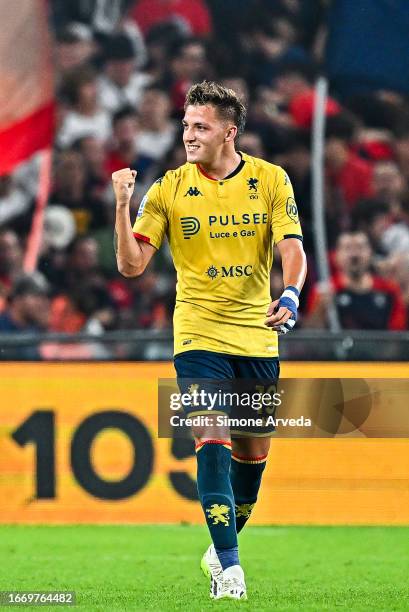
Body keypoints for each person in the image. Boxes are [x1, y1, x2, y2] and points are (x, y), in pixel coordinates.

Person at [112, 81, 307, 600]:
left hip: (257, 335)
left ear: (229, 131)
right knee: (211, 439)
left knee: (253, 455)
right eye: (185, 126)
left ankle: (220, 544)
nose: (189, 135)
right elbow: (131, 265)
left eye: (200, 127)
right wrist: (123, 204)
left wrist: (289, 296)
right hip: (197, 333)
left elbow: (292, 248)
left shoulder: (270, 180)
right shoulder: (169, 187)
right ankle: (230, 568)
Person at [304, 231, 407, 330]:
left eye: (360, 247)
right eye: (347, 248)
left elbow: (397, 335)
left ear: (370, 253)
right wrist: (320, 310)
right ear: (336, 256)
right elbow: (311, 336)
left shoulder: (389, 290)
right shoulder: (325, 291)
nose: (354, 255)